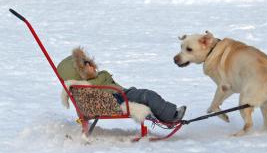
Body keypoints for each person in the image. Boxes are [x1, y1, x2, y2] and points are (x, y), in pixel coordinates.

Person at [57, 47, 186, 123]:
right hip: (118, 99)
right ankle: (171, 116)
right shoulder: (86, 85)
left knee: (147, 95)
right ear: (79, 74)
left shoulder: (93, 79)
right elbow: (102, 97)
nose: (90, 64)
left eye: (88, 61)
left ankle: (166, 115)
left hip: (122, 93)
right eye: (86, 64)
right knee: (148, 96)